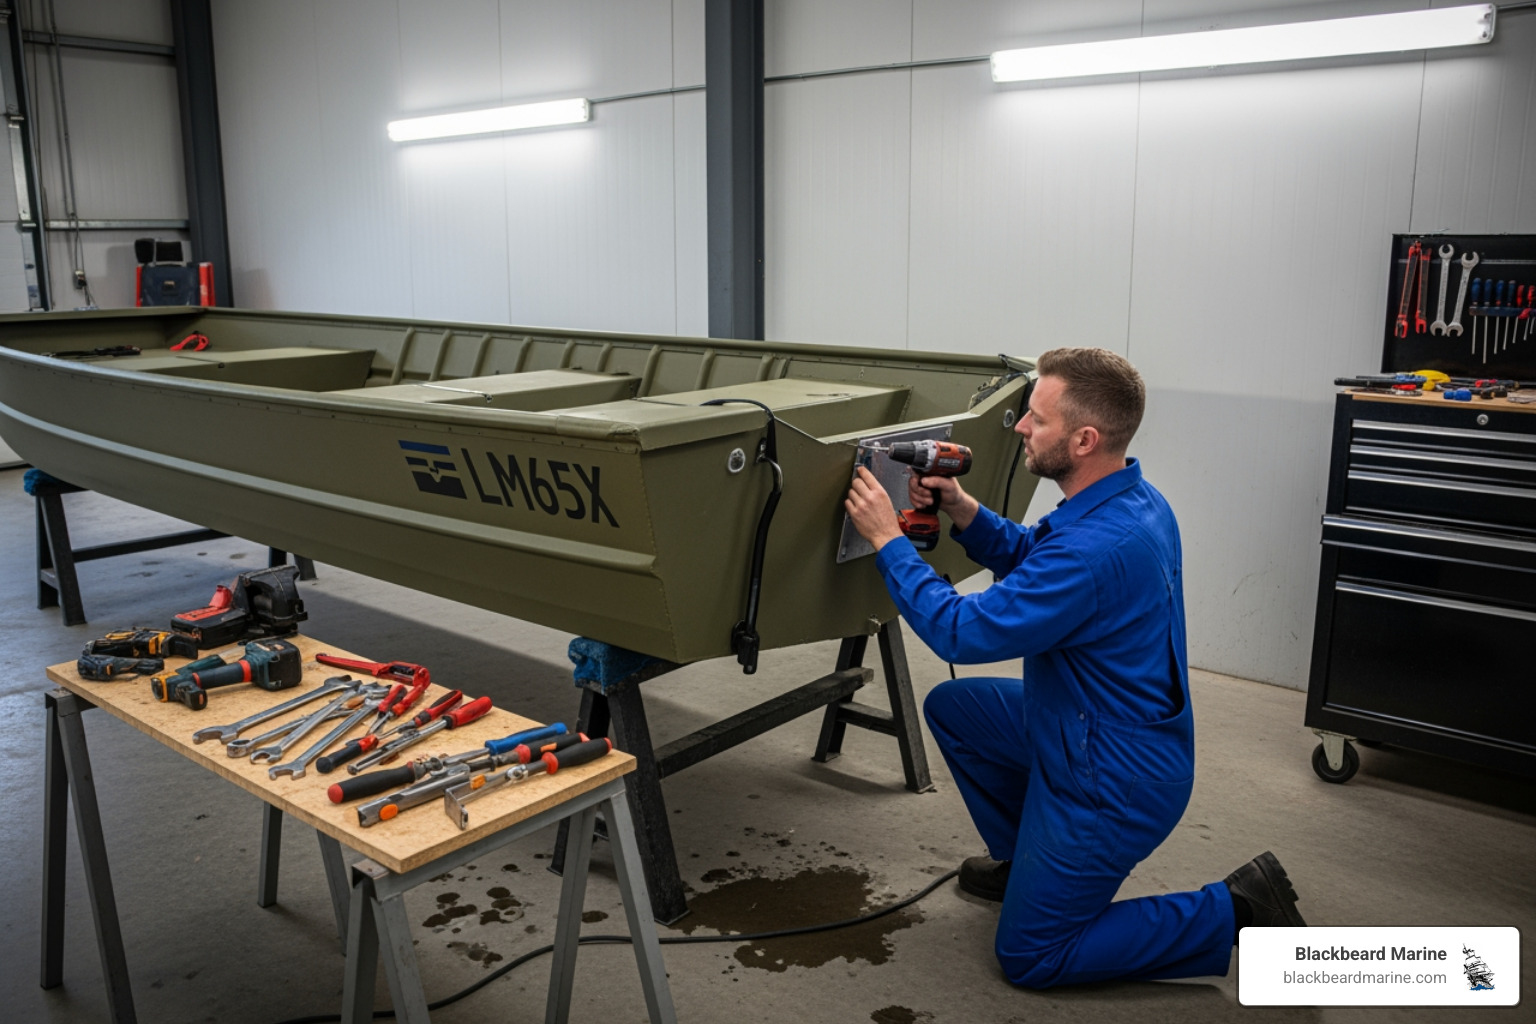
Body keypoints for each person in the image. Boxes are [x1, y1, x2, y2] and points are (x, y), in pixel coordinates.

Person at [843, 347, 1304, 988]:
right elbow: (1037, 556)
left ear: (1084, 440)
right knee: (956, 709)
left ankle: (1237, 909)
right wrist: (962, 508)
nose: (1020, 427)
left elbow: (960, 632)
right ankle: (1027, 863)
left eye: (1036, 418)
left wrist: (888, 541)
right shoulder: (1129, 500)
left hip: (1111, 777)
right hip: (1085, 726)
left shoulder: (1095, 548)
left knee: (1032, 957)